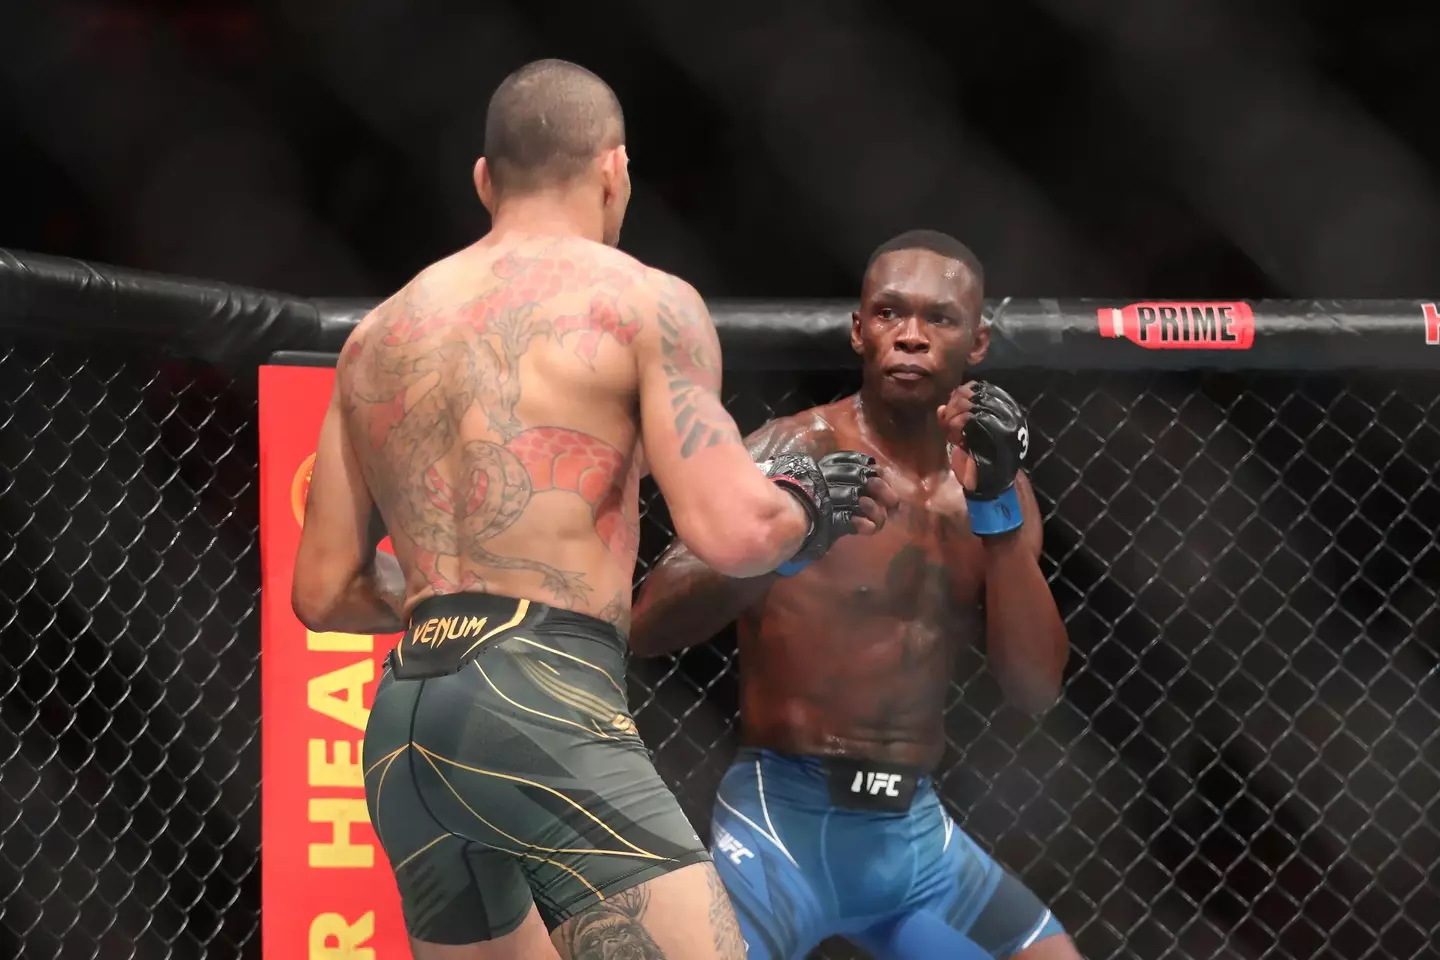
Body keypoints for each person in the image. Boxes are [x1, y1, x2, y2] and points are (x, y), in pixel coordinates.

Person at [289, 59, 897, 960]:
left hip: (404, 723)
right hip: (541, 693)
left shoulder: (377, 337)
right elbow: (734, 530)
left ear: (485, 180)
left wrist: (459, 599)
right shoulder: (642, 301)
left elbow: (324, 592)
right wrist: (807, 503)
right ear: (615, 169)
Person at [629, 229, 1079, 960]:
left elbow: (1033, 690)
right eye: (890, 314)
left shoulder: (996, 484)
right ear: (859, 329)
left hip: (915, 837)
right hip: (784, 824)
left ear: (978, 342)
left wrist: (998, 515)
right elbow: (648, 623)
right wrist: (788, 537)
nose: (910, 337)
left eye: (938, 319)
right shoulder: (791, 449)